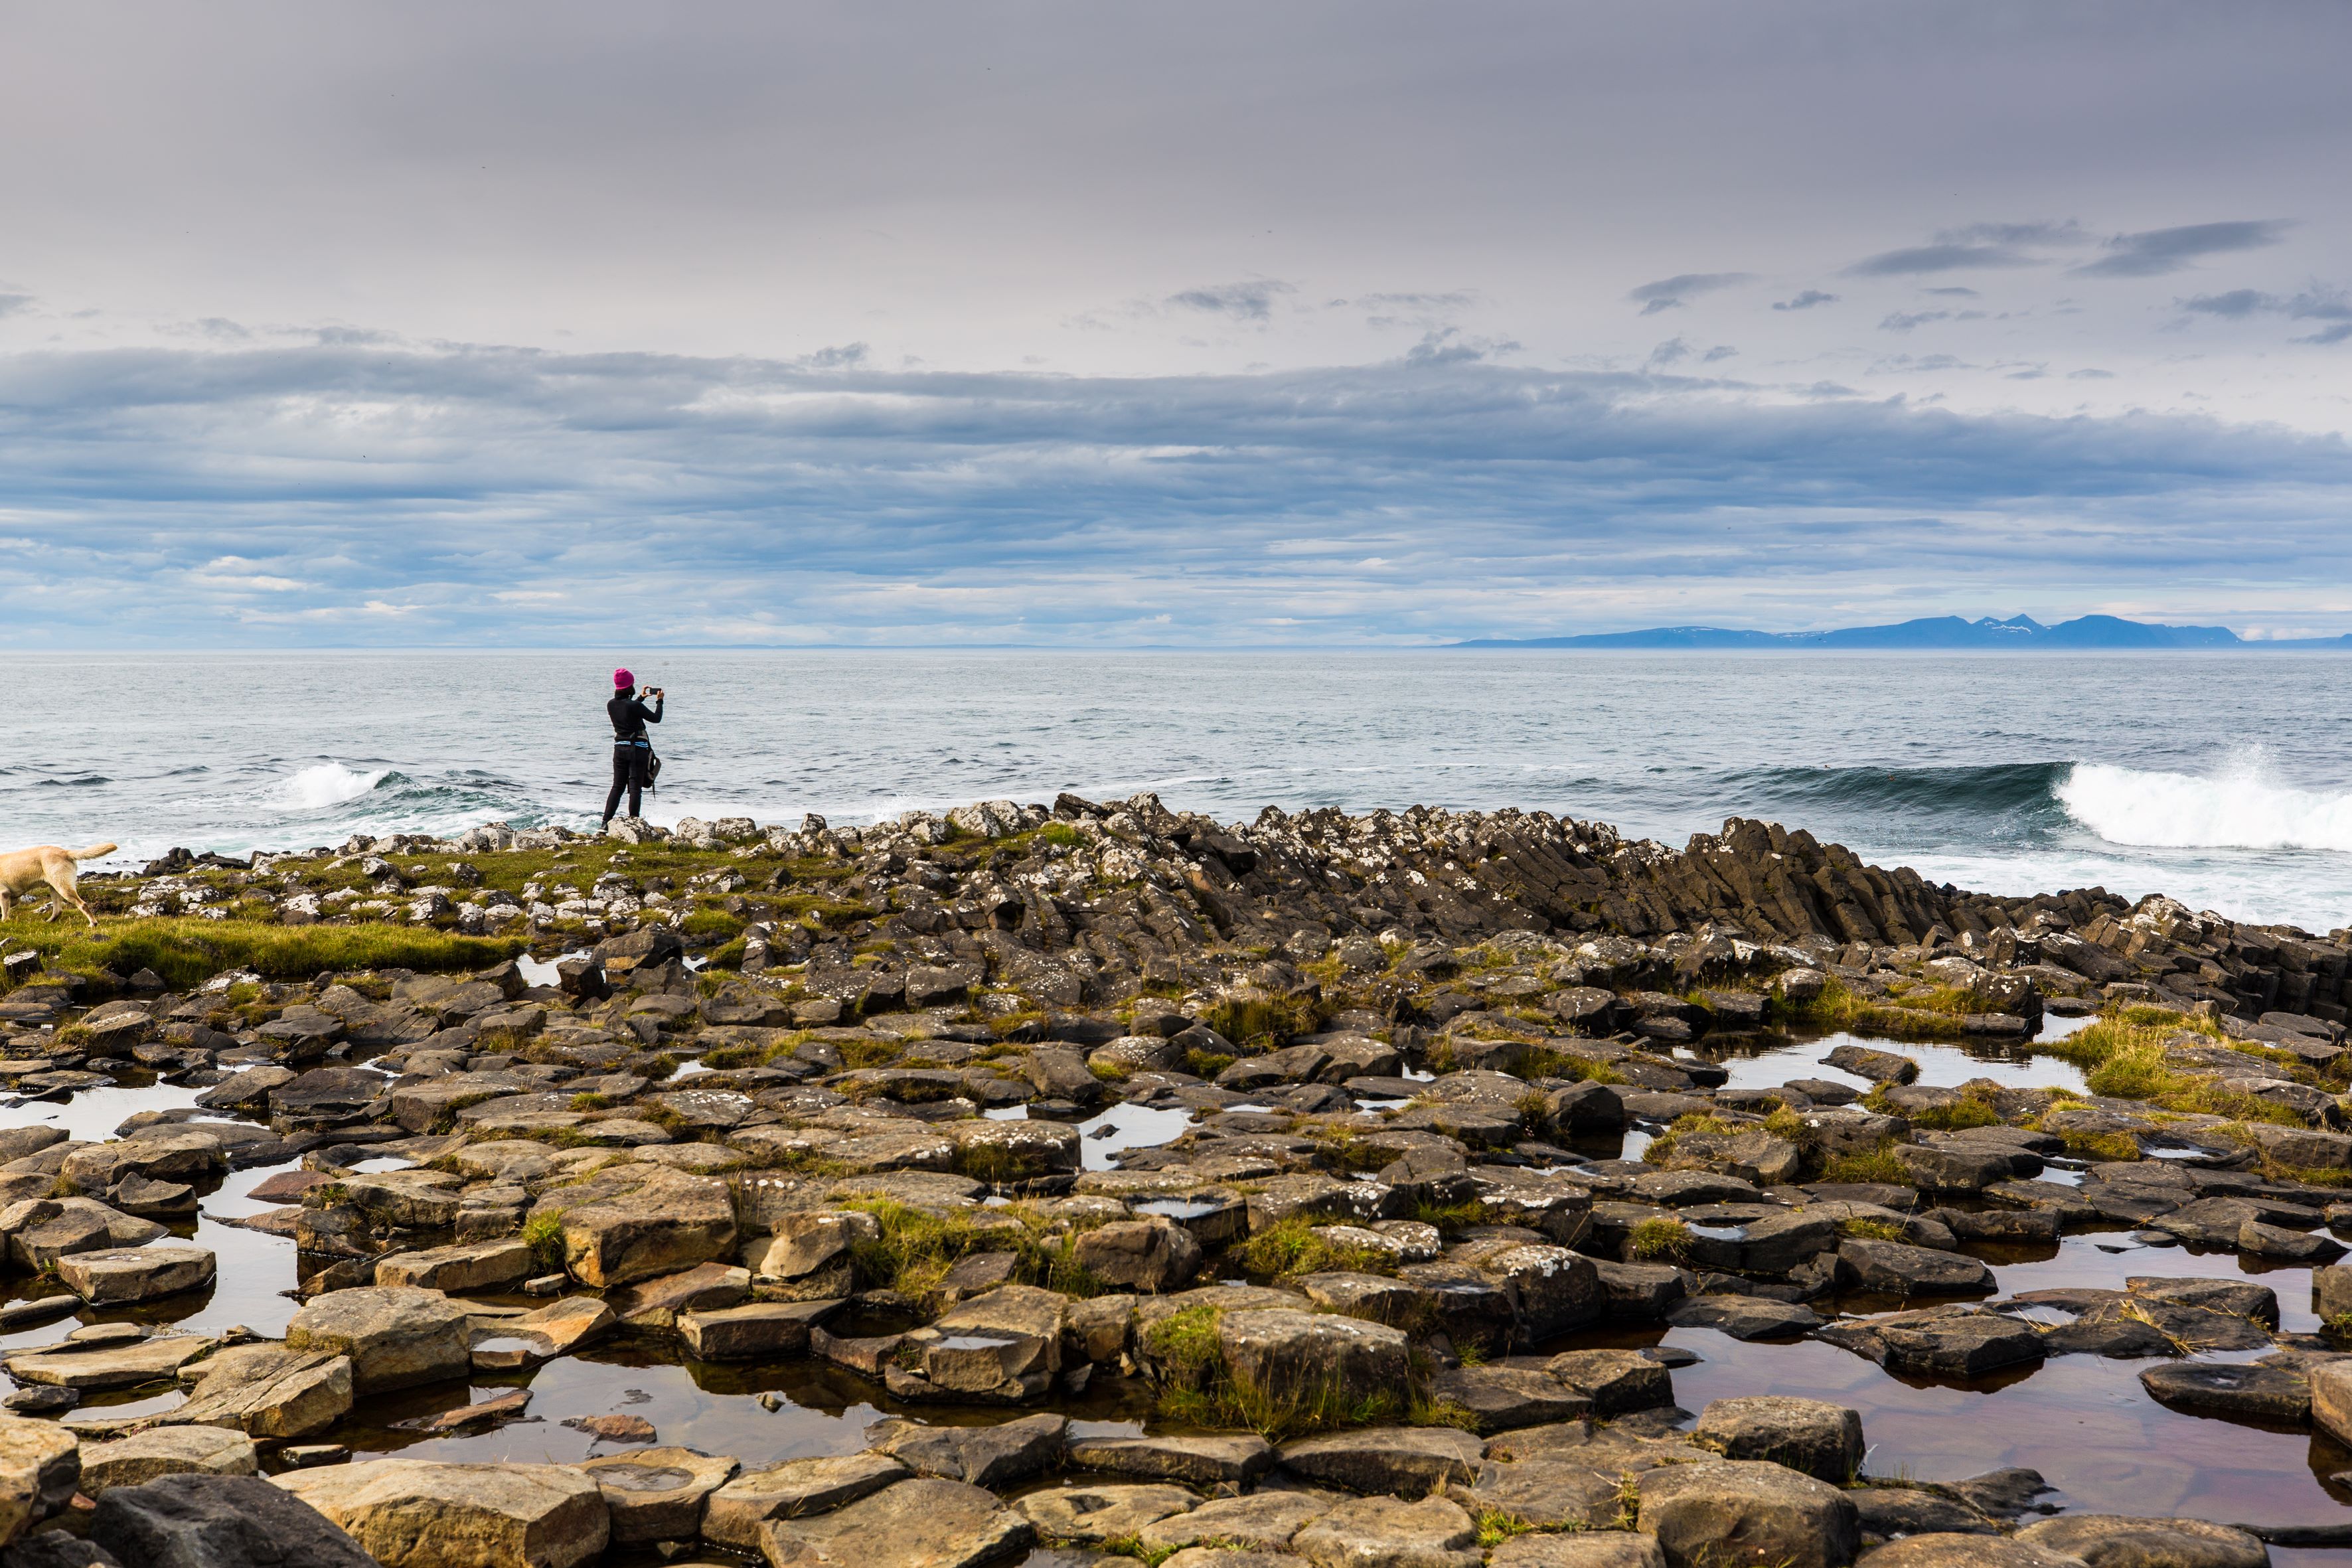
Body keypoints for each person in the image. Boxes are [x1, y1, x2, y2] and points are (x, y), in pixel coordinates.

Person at [603, 668, 664, 824]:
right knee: (635, 788)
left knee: (617, 787)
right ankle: (634, 822)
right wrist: (660, 701)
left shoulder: (611, 705)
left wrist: (641, 698)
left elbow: (627, 709)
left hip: (619, 749)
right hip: (637, 750)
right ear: (630, 686)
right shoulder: (634, 706)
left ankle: (605, 823)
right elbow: (656, 718)